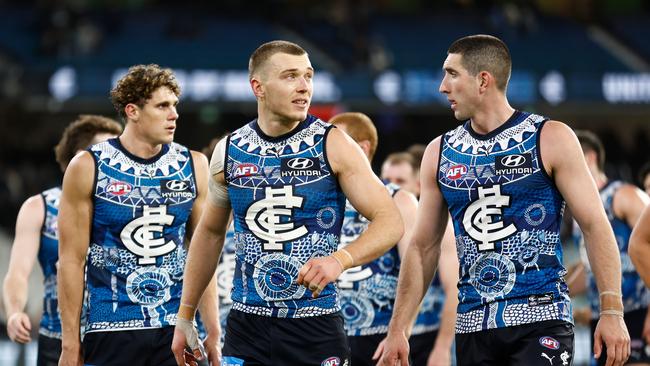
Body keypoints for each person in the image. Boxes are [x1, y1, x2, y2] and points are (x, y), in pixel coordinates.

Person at [378, 34, 630, 366]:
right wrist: (398, 329)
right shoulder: (438, 152)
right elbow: (423, 246)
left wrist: (611, 310)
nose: (442, 86)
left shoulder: (550, 137)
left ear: (483, 80)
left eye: (452, 74)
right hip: (472, 328)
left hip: (541, 320)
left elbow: (596, 226)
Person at [171, 40, 404, 366]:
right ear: (258, 87)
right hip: (246, 327)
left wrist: (340, 260)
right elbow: (210, 233)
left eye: (308, 76)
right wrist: (185, 316)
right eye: (290, 76)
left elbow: (390, 220)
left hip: (315, 326)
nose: (304, 87)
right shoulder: (229, 150)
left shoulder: (333, 143)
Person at [57, 64, 219, 366]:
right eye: (162, 106)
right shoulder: (88, 166)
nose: (174, 115)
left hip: (176, 328)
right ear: (132, 111)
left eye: (174, 105)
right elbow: (71, 260)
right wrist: (70, 344)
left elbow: (203, 253)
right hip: (110, 330)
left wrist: (213, 329)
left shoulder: (194, 165)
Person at [2, 115, 121, 366]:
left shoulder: (129, 204)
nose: (119, 161)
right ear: (81, 156)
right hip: (56, 338)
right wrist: (14, 312)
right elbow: (17, 273)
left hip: (116, 335)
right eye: (109, 152)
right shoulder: (40, 207)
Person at [327, 112, 418, 365]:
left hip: (376, 337)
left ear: (363, 148)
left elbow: (414, 268)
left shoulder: (399, 200)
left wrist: (400, 332)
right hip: (322, 334)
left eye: (334, 141)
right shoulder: (320, 200)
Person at [570, 130, 650, 365]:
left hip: (637, 313)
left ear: (590, 158)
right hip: (603, 317)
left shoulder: (622, 195)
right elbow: (593, 269)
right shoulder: (580, 211)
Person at [380, 151, 459, 366]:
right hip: (389, 336)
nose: (393, 187)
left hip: (428, 335)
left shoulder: (442, 230)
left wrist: (442, 348)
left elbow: (455, 289)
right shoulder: (379, 229)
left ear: (418, 185)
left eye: (400, 181)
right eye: (387, 181)